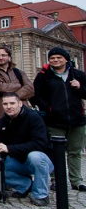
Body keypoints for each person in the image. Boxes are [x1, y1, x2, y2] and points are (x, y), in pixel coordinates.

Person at [0, 93, 53, 206]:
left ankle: (41, 195)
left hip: (40, 161)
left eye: (12, 103)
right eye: (5, 104)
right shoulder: (1, 123)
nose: (8, 106)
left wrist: (9, 148)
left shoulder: (34, 118)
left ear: (20, 104)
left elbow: (39, 144)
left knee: (35, 156)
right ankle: (26, 186)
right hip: (18, 160)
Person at [33, 47, 86, 191]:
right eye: (52, 58)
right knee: (57, 152)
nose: (56, 60)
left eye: (59, 57)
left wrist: (80, 87)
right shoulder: (44, 76)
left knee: (75, 152)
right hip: (55, 120)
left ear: (66, 59)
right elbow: (36, 96)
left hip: (77, 119)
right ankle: (57, 180)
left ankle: (76, 180)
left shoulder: (77, 75)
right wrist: (49, 108)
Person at [0, 46, 34, 121]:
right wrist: (18, 85)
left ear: (9, 57)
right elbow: (0, 87)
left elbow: (30, 88)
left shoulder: (18, 72)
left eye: (3, 55)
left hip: (22, 107)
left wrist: (14, 97)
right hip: (2, 109)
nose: (1, 58)